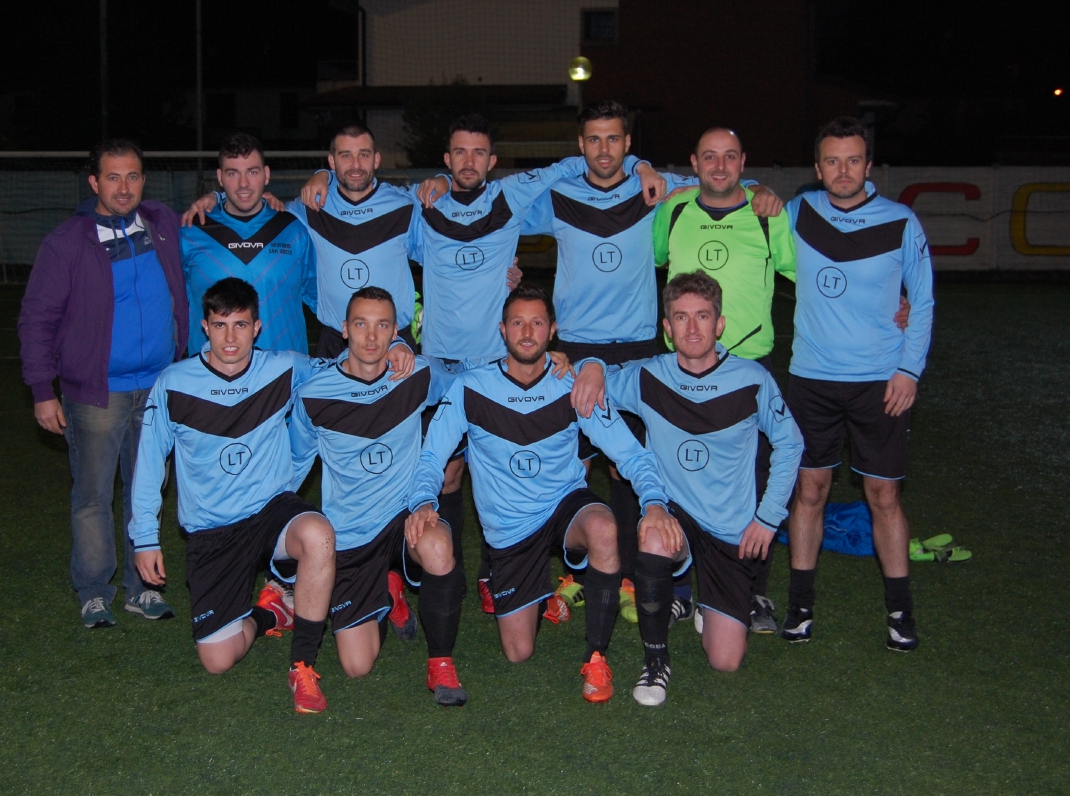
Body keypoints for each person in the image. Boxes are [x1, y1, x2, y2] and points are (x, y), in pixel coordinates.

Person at [305, 113, 661, 614]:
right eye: (459, 153)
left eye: (478, 153)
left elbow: (571, 164)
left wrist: (641, 164)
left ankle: (498, 573)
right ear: (446, 159)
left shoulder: (511, 197)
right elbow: (362, 198)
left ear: (492, 160)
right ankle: (438, 571)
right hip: (440, 362)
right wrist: (322, 176)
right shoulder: (422, 205)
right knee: (446, 473)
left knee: (501, 473)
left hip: (496, 362)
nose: (468, 161)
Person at [527, 101, 783, 626]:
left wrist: (761, 189)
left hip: (640, 344)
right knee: (570, 461)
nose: (603, 150)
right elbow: (499, 216)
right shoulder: (559, 195)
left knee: (631, 463)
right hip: (575, 345)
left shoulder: (656, 190)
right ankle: (572, 570)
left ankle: (628, 572)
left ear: (628, 144)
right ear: (580, 146)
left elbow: (720, 181)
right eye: (593, 140)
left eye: (614, 139)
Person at [407, 283, 675, 703]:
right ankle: (538, 594)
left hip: (563, 506)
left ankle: (596, 657)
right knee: (519, 652)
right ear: (502, 330)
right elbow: (430, 457)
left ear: (552, 330)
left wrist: (655, 502)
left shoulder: (572, 385)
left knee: (604, 527)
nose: (527, 332)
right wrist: (423, 500)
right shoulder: (471, 388)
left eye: (536, 323)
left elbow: (632, 455)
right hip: (510, 529)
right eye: (518, 323)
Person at [130, 279, 367, 713]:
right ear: (205, 326)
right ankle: (271, 612)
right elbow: (149, 463)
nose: (230, 337)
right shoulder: (173, 383)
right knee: (218, 661)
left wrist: (394, 349)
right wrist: (145, 537)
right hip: (213, 529)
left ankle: (303, 666)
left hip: (271, 510)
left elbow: (346, 366)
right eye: (220, 325)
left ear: (257, 327)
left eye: (240, 325)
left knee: (319, 535)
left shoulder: (284, 367)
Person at [575, 271, 803, 705]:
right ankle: (655, 661)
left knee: (725, 660)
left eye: (703, 316)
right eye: (681, 317)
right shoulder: (649, 376)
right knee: (653, 535)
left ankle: (705, 605)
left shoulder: (752, 379)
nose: (693, 328)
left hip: (729, 525)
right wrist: (593, 366)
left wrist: (768, 517)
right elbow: (596, 381)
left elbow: (791, 443)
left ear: (720, 324)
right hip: (673, 512)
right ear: (667, 328)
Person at [18, 139, 188, 629]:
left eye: (133, 176)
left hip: (158, 389)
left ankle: (142, 588)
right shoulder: (66, 242)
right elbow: (37, 319)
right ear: (94, 182)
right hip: (97, 393)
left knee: (145, 492)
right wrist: (42, 390)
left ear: (144, 181)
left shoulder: (161, 223)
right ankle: (94, 591)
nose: (124, 187)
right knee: (93, 496)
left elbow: (218, 211)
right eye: (113, 177)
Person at [781, 117, 934, 651]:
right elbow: (731, 198)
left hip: (880, 382)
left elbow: (923, 300)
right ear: (817, 167)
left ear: (869, 167)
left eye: (852, 160)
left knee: (883, 495)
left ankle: (900, 612)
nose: (842, 170)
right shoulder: (798, 213)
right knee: (809, 491)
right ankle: (800, 607)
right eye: (832, 161)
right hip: (811, 379)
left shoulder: (901, 221)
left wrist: (909, 370)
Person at [651, 127, 797, 634]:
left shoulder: (767, 213)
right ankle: (679, 591)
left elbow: (808, 276)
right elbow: (651, 261)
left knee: (753, 481)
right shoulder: (673, 211)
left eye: (729, 157)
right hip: (681, 367)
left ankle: (751, 593)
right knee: (678, 475)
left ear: (743, 162)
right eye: (709, 157)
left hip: (749, 365)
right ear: (693, 163)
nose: (719, 166)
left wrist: (892, 301)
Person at [289, 287, 466, 706]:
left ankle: (441, 663)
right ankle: (389, 595)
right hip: (351, 535)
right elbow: (293, 467)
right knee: (357, 665)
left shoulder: (415, 373)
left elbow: (471, 378)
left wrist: (570, 363)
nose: (371, 337)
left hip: (406, 516)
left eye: (382, 325)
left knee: (438, 546)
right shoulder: (315, 394)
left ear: (395, 332)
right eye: (361, 324)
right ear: (344, 329)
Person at [178, 132, 317, 355]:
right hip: (212, 372)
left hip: (283, 371)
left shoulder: (293, 230)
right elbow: (169, 305)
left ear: (266, 174)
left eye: (252, 172)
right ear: (220, 177)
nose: (243, 184)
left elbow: (321, 299)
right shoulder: (191, 232)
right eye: (233, 173)